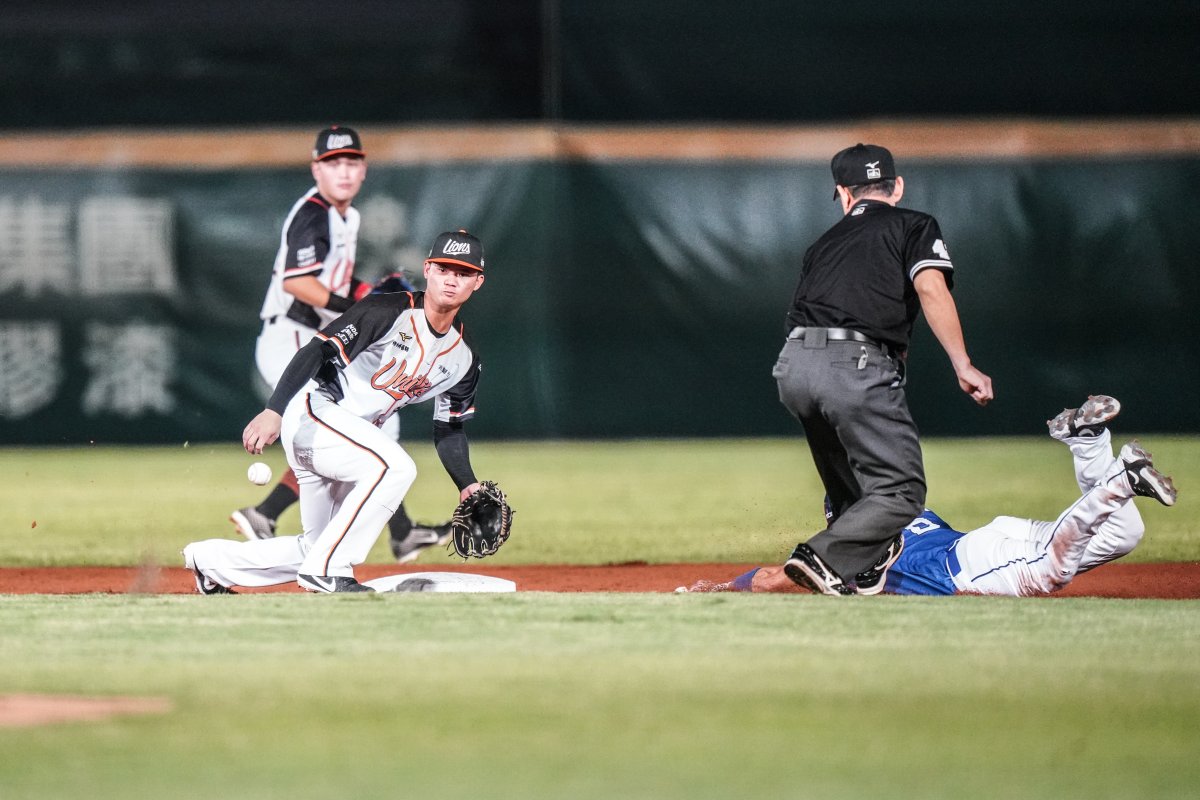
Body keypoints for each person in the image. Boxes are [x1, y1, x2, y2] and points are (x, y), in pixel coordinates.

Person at [185, 229, 489, 593]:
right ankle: (329, 571)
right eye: (444, 268)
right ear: (427, 270)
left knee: (316, 547)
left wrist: (466, 483)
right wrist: (274, 410)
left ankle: (211, 563)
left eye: (463, 273)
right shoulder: (387, 311)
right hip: (315, 414)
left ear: (478, 281)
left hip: (350, 442)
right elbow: (317, 350)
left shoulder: (463, 356)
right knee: (396, 467)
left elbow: (450, 427)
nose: (451, 279)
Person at [679, 396, 1178, 597]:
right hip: (983, 540)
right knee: (1126, 530)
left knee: (1050, 571)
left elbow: (775, 578)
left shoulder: (850, 554)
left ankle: (1120, 479)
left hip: (969, 566)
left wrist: (725, 588)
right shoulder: (903, 510)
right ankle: (1090, 443)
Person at [775, 142, 994, 597]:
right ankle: (820, 558)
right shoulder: (913, 223)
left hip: (794, 365)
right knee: (901, 493)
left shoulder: (823, 244)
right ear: (896, 186)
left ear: (843, 193)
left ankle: (865, 563)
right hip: (852, 364)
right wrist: (963, 363)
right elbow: (931, 289)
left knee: (853, 494)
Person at [228, 124, 450, 562]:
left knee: (371, 420)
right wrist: (356, 304)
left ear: (363, 170)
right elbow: (299, 283)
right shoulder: (314, 212)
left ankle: (396, 530)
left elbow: (334, 281)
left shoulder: (346, 216)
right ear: (317, 169)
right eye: (333, 164)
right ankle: (276, 519)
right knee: (339, 423)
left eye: (351, 163)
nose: (343, 172)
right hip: (290, 334)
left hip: (310, 333)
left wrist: (368, 294)